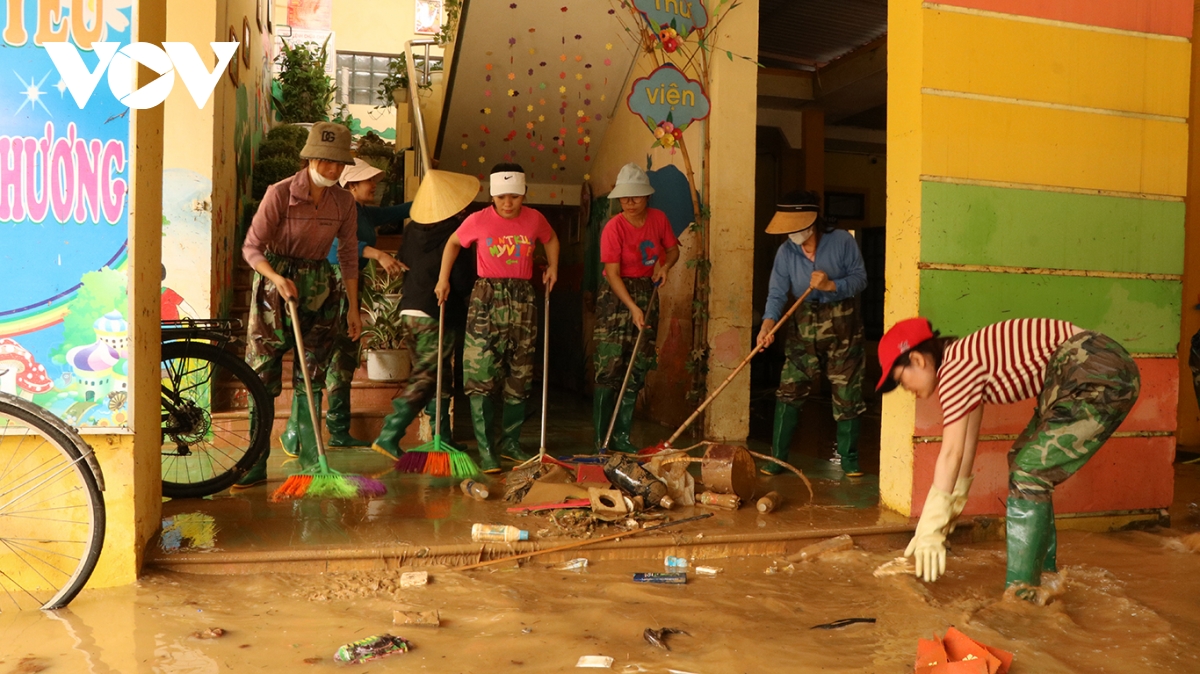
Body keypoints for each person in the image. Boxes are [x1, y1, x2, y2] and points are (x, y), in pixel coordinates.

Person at [877, 317, 1140, 596]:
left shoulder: (954, 370)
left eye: (900, 380)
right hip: (1083, 368)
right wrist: (945, 514)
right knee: (1022, 460)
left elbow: (951, 453)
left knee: (1029, 470)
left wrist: (930, 525)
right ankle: (1046, 577)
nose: (907, 390)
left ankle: (1021, 596)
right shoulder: (963, 360)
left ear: (917, 359)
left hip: (1093, 365)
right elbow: (966, 448)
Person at [233, 122, 360, 490]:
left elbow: (349, 255)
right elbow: (251, 248)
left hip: (320, 286)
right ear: (309, 159)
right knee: (263, 375)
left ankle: (310, 461)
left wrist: (353, 307)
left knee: (312, 374)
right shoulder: (280, 193)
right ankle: (255, 463)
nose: (334, 170)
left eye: (339, 164)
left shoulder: (344, 202)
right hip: (275, 285)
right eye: (326, 162)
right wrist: (276, 278)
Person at [434, 163, 560, 473]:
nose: (508, 203)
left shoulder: (535, 219)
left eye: (514, 197)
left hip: (522, 299)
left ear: (524, 194)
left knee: (519, 375)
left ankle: (511, 444)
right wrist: (443, 279)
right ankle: (487, 450)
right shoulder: (478, 221)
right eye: (502, 197)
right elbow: (452, 243)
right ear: (492, 196)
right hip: (486, 298)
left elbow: (552, 239)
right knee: (480, 375)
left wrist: (554, 266)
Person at [278, 159, 408, 453]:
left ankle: (338, 430)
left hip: (351, 285)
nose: (374, 186)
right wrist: (379, 254)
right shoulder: (335, 207)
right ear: (349, 185)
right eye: (368, 181)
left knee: (344, 358)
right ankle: (294, 432)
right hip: (329, 285)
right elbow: (343, 245)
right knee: (319, 360)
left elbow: (398, 211)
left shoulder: (361, 210)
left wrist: (430, 196)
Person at [756, 191, 868, 477]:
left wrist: (831, 285)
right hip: (802, 325)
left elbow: (860, 279)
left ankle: (850, 459)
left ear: (811, 221)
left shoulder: (842, 241)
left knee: (847, 393)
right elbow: (777, 293)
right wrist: (767, 326)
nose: (791, 233)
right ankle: (778, 458)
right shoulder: (786, 252)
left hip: (843, 325)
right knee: (789, 390)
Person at [372, 170, 479, 457]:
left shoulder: (412, 229)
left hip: (409, 309)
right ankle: (390, 433)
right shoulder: (459, 232)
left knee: (438, 375)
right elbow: (461, 279)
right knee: (428, 376)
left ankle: (441, 434)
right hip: (436, 310)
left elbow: (406, 261)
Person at [593, 163, 679, 452]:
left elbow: (672, 249)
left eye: (636, 197)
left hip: (647, 291)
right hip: (616, 296)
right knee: (611, 366)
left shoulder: (659, 219)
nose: (630, 203)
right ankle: (601, 439)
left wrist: (665, 267)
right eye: (624, 197)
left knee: (636, 366)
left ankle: (622, 437)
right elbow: (613, 274)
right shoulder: (613, 228)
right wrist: (631, 307)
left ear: (647, 197)